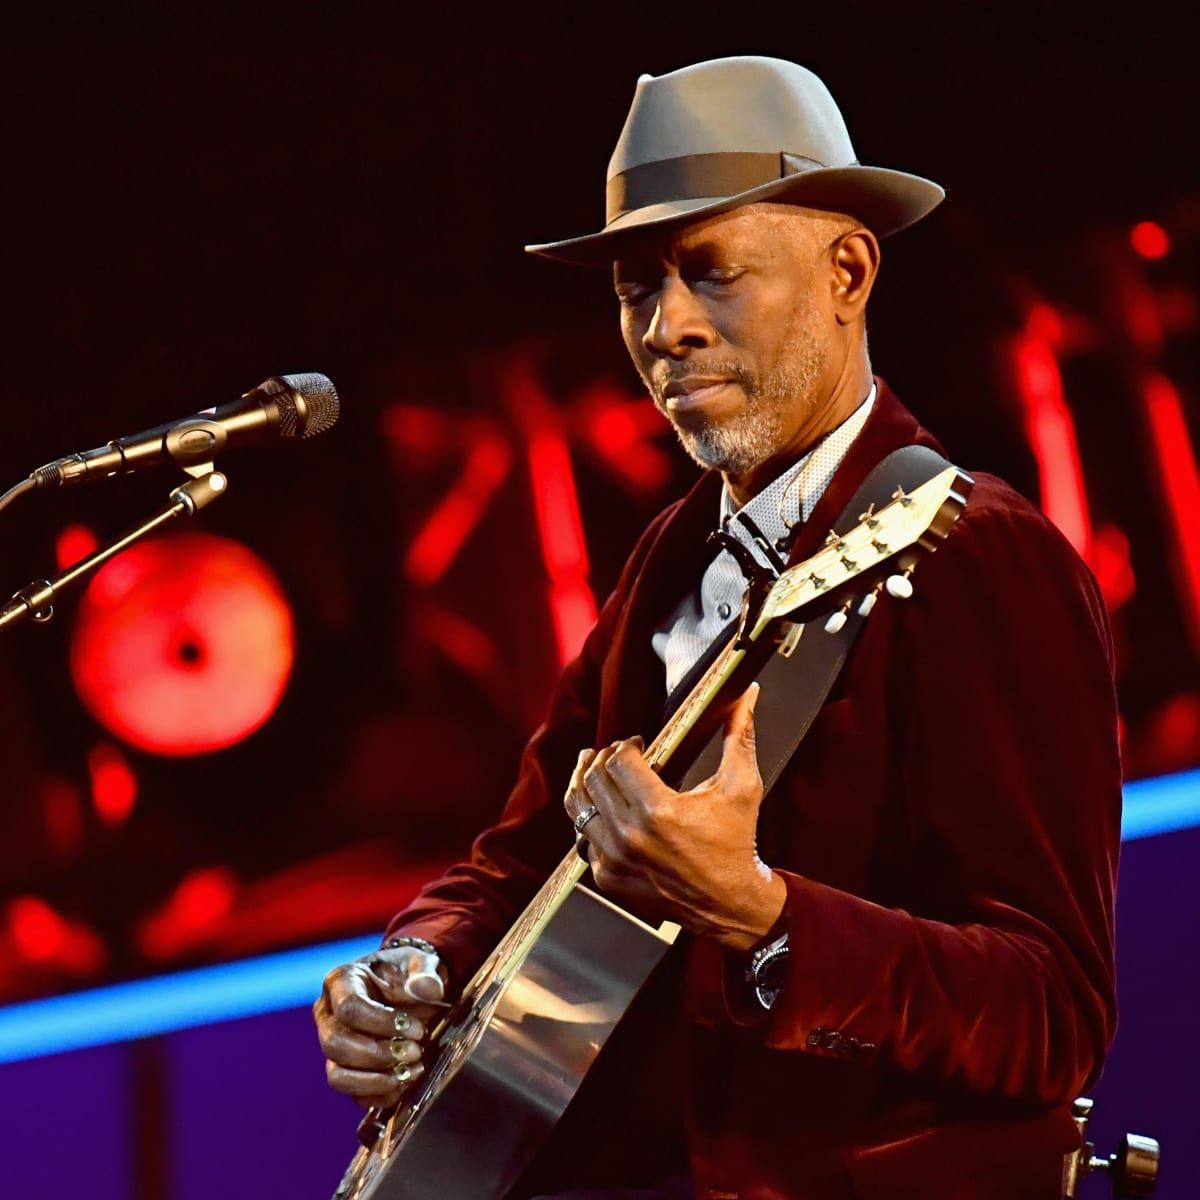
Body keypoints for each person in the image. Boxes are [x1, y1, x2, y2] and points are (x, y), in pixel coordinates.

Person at [313, 57, 1120, 1199]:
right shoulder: (669, 556)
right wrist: (411, 968)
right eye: (637, 288)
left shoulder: (978, 555)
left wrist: (764, 916)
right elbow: (519, 858)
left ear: (848, 269)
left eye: (712, 273)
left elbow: (1053, 1010)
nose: (666, 328)